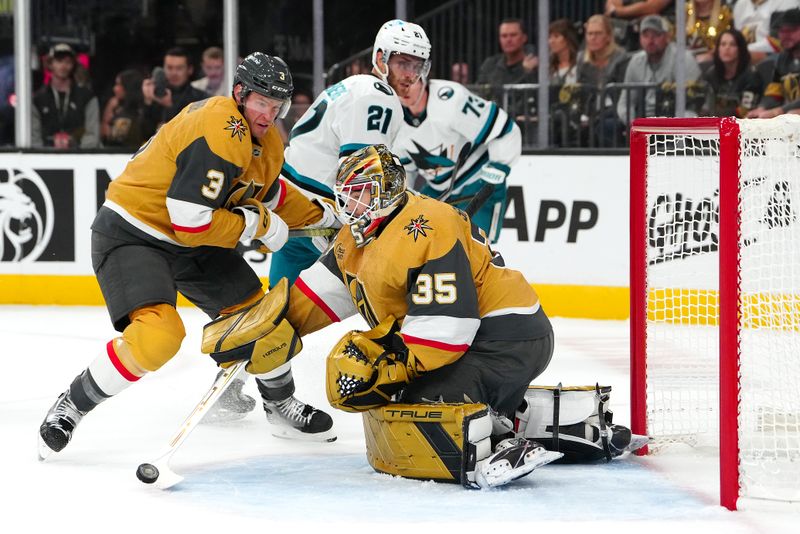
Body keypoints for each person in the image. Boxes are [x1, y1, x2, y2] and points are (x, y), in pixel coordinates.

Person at [201, 144, 561, 488]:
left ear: (386, 191)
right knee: (394, 403)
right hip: (476, 340)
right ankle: (541, 421)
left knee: (416, 407)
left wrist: (389, 365)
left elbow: (449, 328)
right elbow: (317, 296)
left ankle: (502, 446)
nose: (348, 203)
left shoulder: (431, 225)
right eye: (345, 193)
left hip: (506, 337)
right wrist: (269, 327)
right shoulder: (357, 237)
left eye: (360, 192)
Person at [38, 52, 338, 459]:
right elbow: (192, 222)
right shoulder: (221, 127)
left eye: (276, 105)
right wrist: (258, 225)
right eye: (261, 102)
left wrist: (325, 217)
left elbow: (270, 193)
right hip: (134, 233)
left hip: (190, 241)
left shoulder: (264, 142)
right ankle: (71, 405)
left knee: (263, 317)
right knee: (158, 337)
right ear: (239, 93)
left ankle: (278, 404)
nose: (268, 114)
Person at [271, 19, 431, 286]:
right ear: (381, 58)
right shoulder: (377, 95)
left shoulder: (354, 85)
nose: (410, 75)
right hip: (320, 215)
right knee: (390, 290)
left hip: (290, 207)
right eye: (403, 63)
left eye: (417, 66)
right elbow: (360, 178)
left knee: (278, 310)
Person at [394, 61, 521, 243]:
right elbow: (405, 171)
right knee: (420, 248)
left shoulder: (450, 100)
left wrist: (497, 168)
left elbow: (505, 129)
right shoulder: (395, 118)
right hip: (438, 192)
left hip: (477, 185)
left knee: (477, 253)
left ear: (423, 79)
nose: (405, 90)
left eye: (410, 83)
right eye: (399, 86)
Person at [616, 15, 702, 124]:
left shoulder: (683, 59)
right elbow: (625, 102)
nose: (650, 40)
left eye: (656, 35)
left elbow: (692, 104)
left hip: (676, 122)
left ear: (667, 37)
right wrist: (633, 123)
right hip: (644, 121)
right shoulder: (636, 62)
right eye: (645, 35)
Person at [31, 43, 100, 149]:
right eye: (59, 61)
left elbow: (92, 133)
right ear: (50, 64)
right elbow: (34, 136)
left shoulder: (87, 97)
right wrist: (48, 146)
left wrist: (77, 147)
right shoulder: (38, 100)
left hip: (80, 158)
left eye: (68, 62)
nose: (63, 66)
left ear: (73, 65)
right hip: (46, 157)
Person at [577, 14, 631, 147]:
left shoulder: (621, 58)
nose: (593, 38)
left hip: (615, 112)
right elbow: (581, 92)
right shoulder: (582, 60)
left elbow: (621, 95)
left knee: (604, 126)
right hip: (590, 113)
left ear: (608, 36)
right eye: (590, 34)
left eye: (598, 33)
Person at [476, 18, 538, 121]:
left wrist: (528, 72)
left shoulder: (534, 64)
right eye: (504, 36)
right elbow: (479, 93)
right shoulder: (490, 64)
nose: (508, 40)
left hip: (524, 123)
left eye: (513, 35)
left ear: (524, 38)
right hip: (493, 121)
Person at [141, 46, 208, 137]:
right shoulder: (155, 95)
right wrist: (147, 102)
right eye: (169, 68)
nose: (174, 73)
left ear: (190, 70)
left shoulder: (201, 99)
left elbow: (189, 133)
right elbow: (144, 134)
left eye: (179, 68)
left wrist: (169, 107)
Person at [747, 8, 800, 118]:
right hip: (790, 115)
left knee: (792, 115)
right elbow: (774, 91)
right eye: (782, 31)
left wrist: (779, 111)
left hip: (791, 114)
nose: (785, 35)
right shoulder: (782, 58)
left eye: (791, 30)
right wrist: (762, 108)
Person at [702, 29, 763, 117]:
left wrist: (718, 116)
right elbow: (705, 106)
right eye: (723, 44)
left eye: (732, 44)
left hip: (742, 124)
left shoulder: (751, 75)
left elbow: (746, 109)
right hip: (713, 123)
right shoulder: (711, 74)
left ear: (740, 49)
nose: (727, 48)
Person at [733, 0, 800, 63]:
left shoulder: (787, 2)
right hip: (744, 56)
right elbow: (737, 37)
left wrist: (741, 52)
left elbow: (777, 42)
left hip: (777, 57)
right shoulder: (741, 4)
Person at [101, 69, 146, 149]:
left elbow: (113, 143)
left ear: (128, 87)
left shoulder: (126, 116)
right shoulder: (119, 109)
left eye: (118, 85)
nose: (115, 88)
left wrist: (107, 127)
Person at [686, 0, 734, 66]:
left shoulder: (725, 15)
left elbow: (730, 45)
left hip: (715, 64)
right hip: (686, 64)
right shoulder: (684, 13)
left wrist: (712, 54)